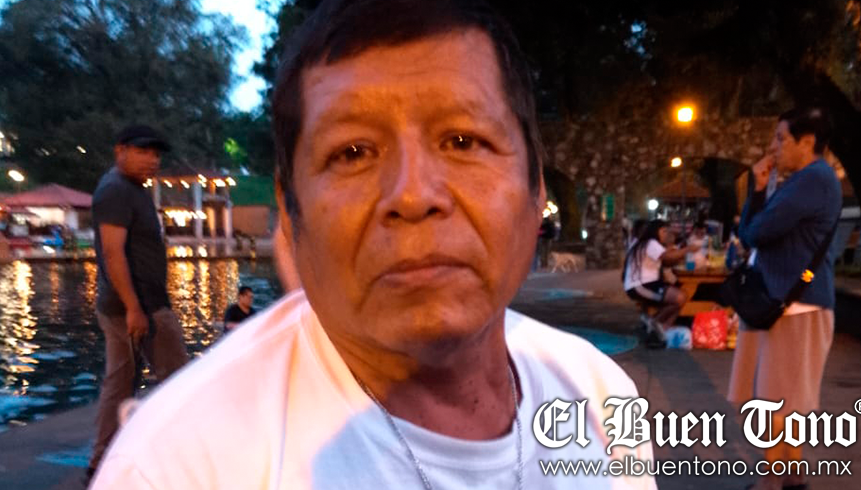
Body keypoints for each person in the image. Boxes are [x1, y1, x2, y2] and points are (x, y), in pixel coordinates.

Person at [90, 1, 656, 489]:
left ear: (536, 189)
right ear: (291, 210)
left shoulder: (599, 393)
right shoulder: (180, 466)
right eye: (352, 153)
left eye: (463, 140)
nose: (413, 195)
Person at [727, 107, 842, 490]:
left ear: (806, 142)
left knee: (779, 400)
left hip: (794, 307)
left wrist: (759, 193)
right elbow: (754, 231)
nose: (774, 146)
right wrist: (761, 190)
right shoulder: (806, 181)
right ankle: (791, 478)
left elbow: (754, 233)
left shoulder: (813, 180)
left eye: (781, 138)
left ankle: (772, 482)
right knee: (784, 399)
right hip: (783, 304)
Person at [88, 124, 189, 477]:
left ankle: (103, 462)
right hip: (138, 306)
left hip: (135, 304)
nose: (153, 160)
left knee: (120, 383)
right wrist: (134, 308)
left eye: (156, 154)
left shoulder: (131, 189)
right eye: (143, 151)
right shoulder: (116, 191)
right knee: (180, 381)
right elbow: (112, 253)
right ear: (121, 150)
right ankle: (185, 457)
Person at [623, 219, 699, 346]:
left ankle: (662, 331)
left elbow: (667, 261)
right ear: (655, 231)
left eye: (667, 231)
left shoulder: (650, 244)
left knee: (681, 297)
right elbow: (668, 257)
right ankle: (654, 323)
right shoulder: (651, 243)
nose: (666, 234)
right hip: (640, 285)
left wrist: (674, 249)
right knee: (679, 297)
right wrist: (688, 249)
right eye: (663, 231)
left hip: (649, 283)